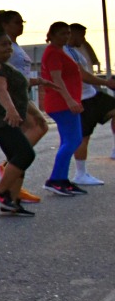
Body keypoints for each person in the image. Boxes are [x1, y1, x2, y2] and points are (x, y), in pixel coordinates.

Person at [0, 32, 37, 215]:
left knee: (17, 159)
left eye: (10, 45)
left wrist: (39, 81)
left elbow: (16, 83)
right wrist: (11, 110)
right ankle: (0, 192)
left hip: (4, 119)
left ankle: (12, 201)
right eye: (4, 45)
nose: (8, 49)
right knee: (25, 154)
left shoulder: (3, 66)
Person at [0, 10, 47, 203]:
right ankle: (10, 169)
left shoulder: (15, 46)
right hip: (14, 97)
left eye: (22, 21)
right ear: (5, 24)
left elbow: (20, 75)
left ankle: (12, 177)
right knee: (37, 127)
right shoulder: (5, 47)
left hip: (22, 94)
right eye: (16, 22)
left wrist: (38, 80)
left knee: (40, 126)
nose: (21, 25)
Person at [40, 21, 88, 196]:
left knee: (68, 141)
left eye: (68, 33)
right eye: (61, 33)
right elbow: (56, 79)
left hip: (65, 102)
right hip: (61, 103)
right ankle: (56, 180)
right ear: (51, 35)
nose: (66, 36)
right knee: (73, 141)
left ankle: (62, 179)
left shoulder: (60, 51)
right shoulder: (53, 53)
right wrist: (69, 100)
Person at [65, 24, 115, 186]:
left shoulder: (76, 51)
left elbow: (90, 67)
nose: (84, 39)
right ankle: (80, 174)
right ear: (72, 34)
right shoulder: (65, 52)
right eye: (82, 36)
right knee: (83, 137)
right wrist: (106, 82)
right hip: (81, 99)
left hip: (92, 94)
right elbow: (83, 75)